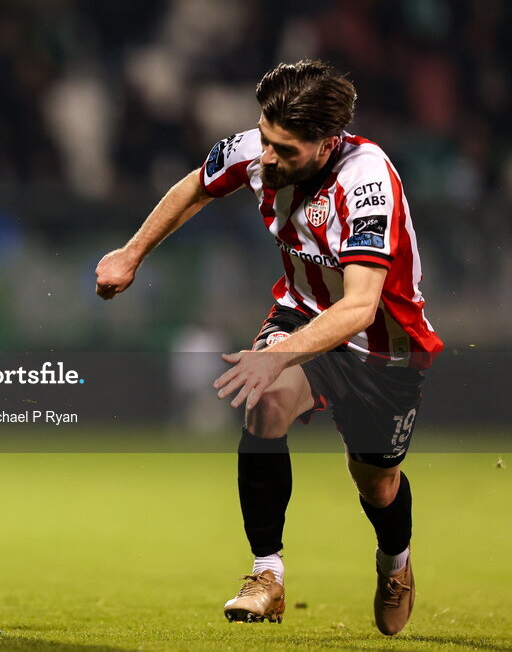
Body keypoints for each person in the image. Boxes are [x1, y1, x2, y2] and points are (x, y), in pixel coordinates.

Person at [95, 60, 442, 636]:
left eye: (286, 148)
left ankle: (395, 563)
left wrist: (277, 354)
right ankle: (266, 574)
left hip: (385, 346)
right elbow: (193, 187)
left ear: (328, 142)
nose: (267, 158)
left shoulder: (366, 181)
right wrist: (131, 254)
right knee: (264, 403)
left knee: (376, 483)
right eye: (266, 138)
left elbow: (358, 307)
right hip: (302, 312)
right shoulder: (257, 148)